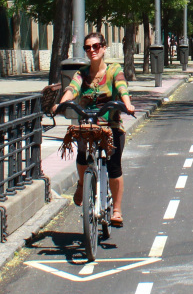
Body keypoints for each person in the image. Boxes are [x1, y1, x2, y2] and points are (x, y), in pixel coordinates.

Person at [58, 32, 137, 227]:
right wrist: (62, 103)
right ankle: (82, 184)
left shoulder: (113, 69)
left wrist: (127, 103)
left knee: (114, 166)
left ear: (103, 48)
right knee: (82, 155)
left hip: (111, 126)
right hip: (88, 125)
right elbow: (72, 88)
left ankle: (116, 210)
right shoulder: (82, 73)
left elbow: (121, 86)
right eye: (87, 47)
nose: (92, 50)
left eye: (95, 46)